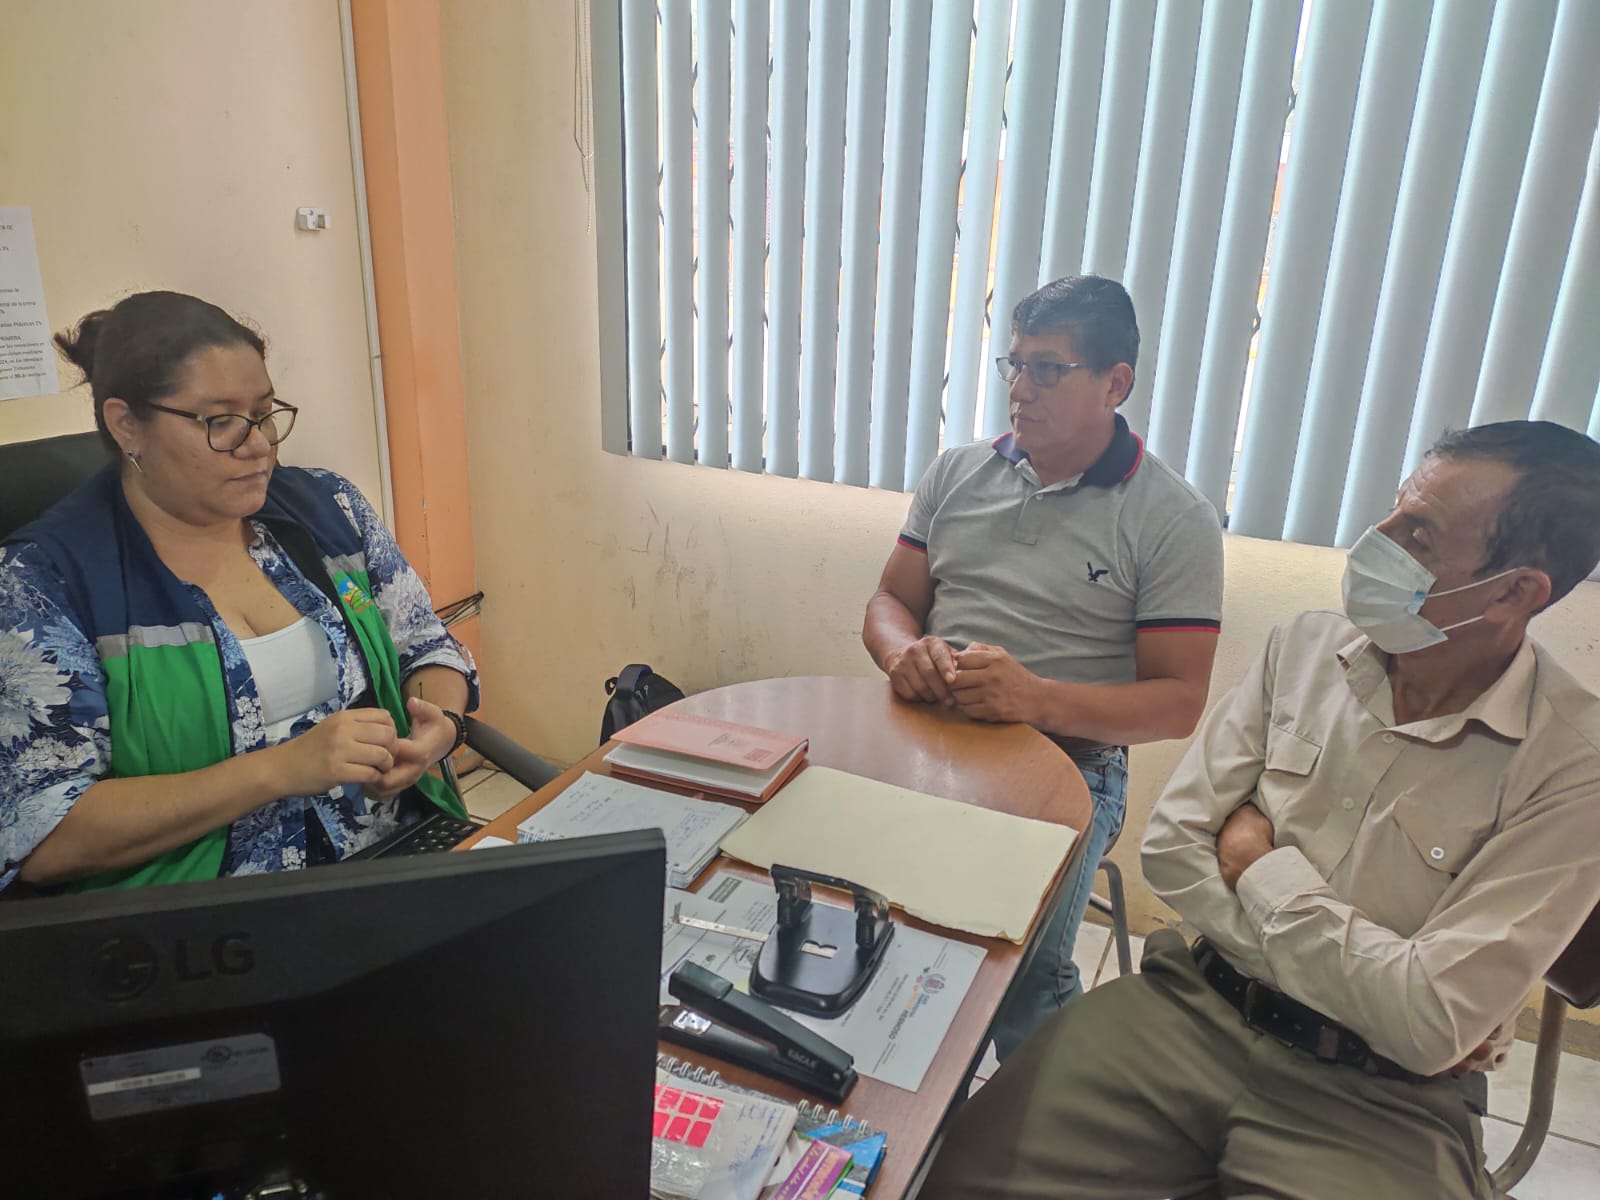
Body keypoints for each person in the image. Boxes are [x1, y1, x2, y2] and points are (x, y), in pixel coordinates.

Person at [921, 420, 1600, 1200]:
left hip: (1381, 1096)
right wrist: (1386, 988)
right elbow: (1172, 848)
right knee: (954, 1179)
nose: (1374, 540)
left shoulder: (1572, 766)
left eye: (1418, 535)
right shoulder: (1305, 650)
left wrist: (1257, 867)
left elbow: (1427, 1023)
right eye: (1392, 509)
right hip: (1193, 1010)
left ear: (1514, 592)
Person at [0, 291, 477, 892]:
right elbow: (43, 833)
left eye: (264, 413)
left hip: (392, 852)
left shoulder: (329, 509)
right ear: (127, 426)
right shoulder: (44, 582)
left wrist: (439, 725)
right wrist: (275, 770)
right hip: (206, 914)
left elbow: (425, 645)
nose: (258, 445)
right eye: (220, 421)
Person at [862, 275, 1224, 1057]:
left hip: (1070, 761)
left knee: (1021, 966)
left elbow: (1177, 702)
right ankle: (894, 1080)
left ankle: (1043, 1117)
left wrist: (1034, 698)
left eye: (1048, 369)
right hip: (930, 735)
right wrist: (902, 653)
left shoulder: (1173, 519)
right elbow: (890, 601)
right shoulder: (958, 473)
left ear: (1115, 384)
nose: (1020, 390)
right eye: (1015, 364)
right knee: (852, 900)